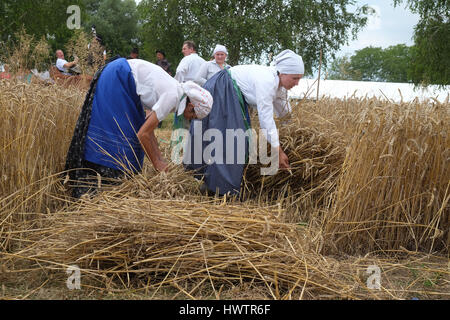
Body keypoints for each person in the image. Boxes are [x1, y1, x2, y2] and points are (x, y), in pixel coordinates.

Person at [64, 57, 213, 198]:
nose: (190, 119)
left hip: (123, 79)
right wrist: (158, 165)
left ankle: (110, 184)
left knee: (132, 138)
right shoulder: (173, 95)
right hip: (119, 78)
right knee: (119, 138)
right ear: (192, 106)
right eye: (193, 116)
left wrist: (160, 159)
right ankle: (98, 186)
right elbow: (143, 134)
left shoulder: (176, 92)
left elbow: (148, 129)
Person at [184, 49, 304, 196]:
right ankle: (220, 191)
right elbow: (266, 120)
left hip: (233, 94)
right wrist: (277, 151)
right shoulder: (267, 81)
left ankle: (213, 184)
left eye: (299, 78)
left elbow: (285, 115)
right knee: (232, 139)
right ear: (283, 73)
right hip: (223, 88)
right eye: (295, 78)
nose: (297, 83)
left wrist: (296, 134)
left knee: (232, 139)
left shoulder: (281, 88)